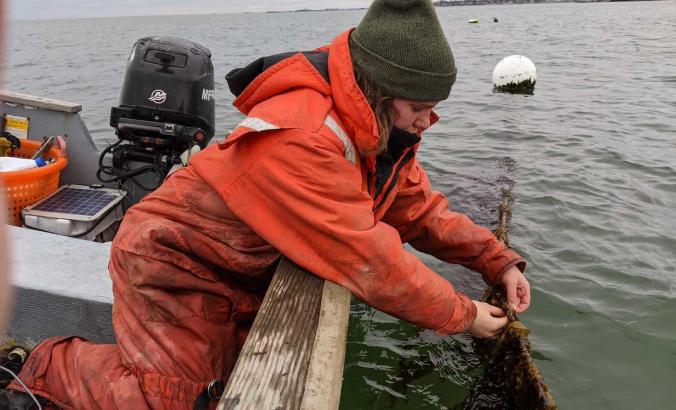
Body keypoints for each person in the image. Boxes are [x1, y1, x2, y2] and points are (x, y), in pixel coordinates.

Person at [7, 0, 530, 408]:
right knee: (179, 401)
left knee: (219, 380)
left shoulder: (371, 130)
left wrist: (496, 261)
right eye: (419, 108)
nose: (426, 123)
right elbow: (369, 257)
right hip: (173, 266)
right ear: (380, 89)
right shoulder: (302, 134)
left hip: (232, 267)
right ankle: (47, 369)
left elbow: (417, 208)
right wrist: (462, 315)